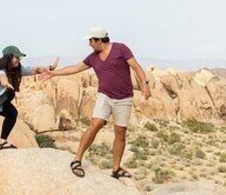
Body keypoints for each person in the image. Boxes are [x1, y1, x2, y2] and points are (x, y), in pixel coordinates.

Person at [44, 27, 151, 179]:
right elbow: (75, 68)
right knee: (96, 124)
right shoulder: (93, 57)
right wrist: (54, 73)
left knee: (120, 133)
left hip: (124, 98)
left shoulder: (121, 49)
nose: (89, 43)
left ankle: (116, 168)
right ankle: (77, 160)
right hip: (105, 96)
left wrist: (145, 84)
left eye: (91, 40)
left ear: (99, 40)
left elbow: (136, 67)